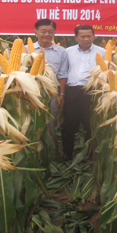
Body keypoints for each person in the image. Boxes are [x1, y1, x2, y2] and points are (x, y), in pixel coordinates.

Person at [61, 25, 106, 160]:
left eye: (89, 36)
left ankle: (89, 154)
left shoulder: (102, 52)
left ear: (94, 36)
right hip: (72, 91)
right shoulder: (67, 52)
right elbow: (63, 71)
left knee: (90, 124)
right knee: (69, 124)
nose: (86, 39)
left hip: (93, 91)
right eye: (82, 36)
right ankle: (67, 154)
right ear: (76, 37)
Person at [32, 19, 68, 149]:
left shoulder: (61, 52)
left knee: (51, 121)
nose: (47, 34)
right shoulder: (24, 50)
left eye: (50, 32)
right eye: (43, 31)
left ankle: (50, 150)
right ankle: (32, 149)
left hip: (51, 92)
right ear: (36, 33)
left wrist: (61, 94)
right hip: (31, 91)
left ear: (54, 33)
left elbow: (62, 75)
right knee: (31, 120)